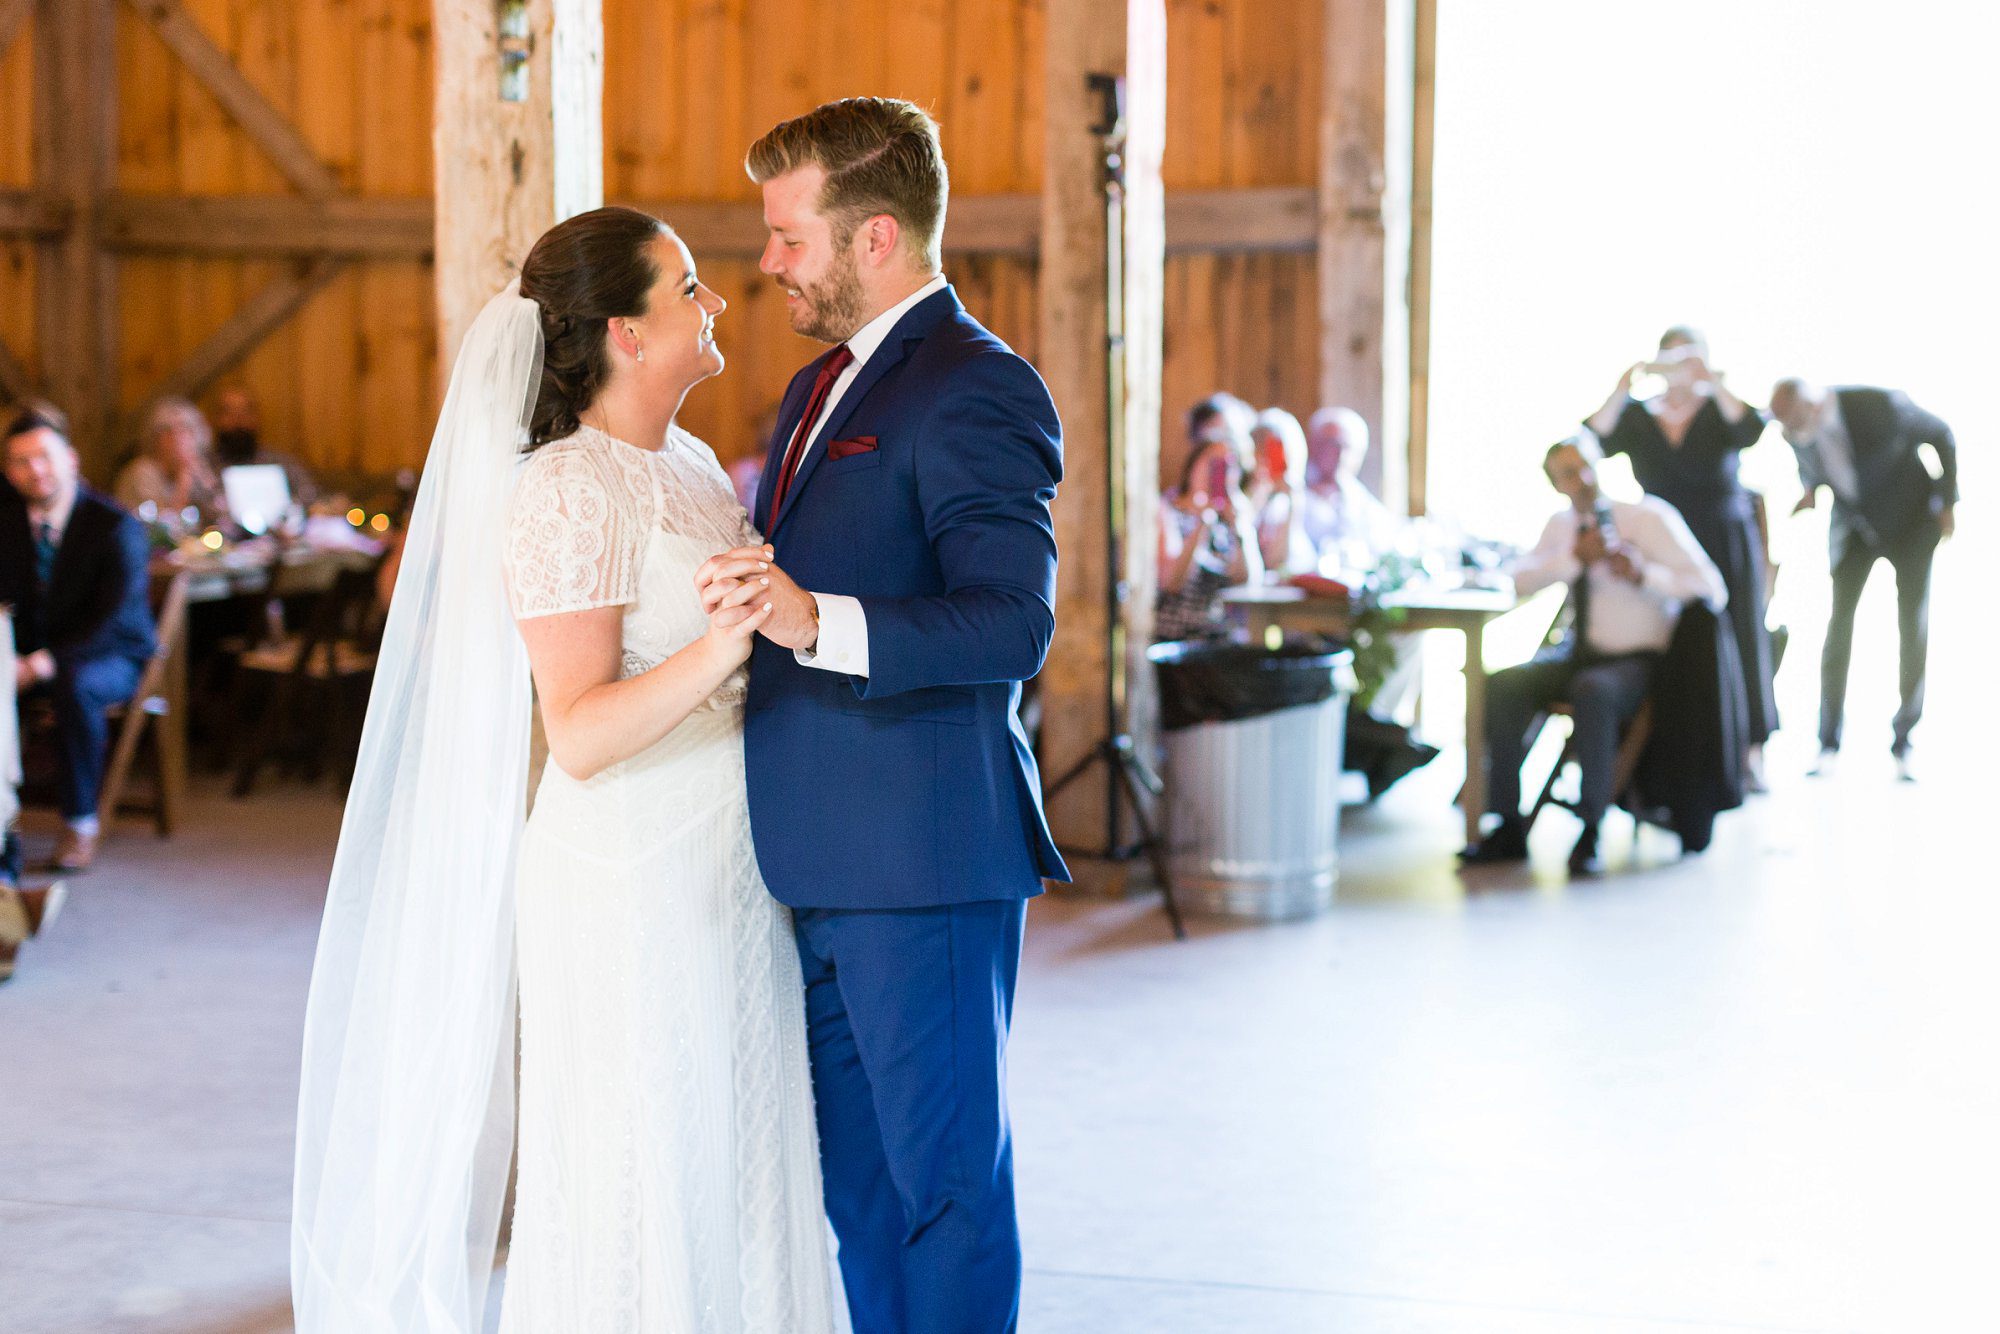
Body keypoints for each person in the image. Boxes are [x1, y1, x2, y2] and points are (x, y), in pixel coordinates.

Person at [292, 209, 838, 1331]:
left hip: (730, 864)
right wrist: (723, 644)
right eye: (687, 286)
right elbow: (579, 728)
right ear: (626, 332)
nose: (716, 300)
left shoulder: (683, 462)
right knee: (647, 1156)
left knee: (736, 1143)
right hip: (631, 872)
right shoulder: (564, 489)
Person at [693, 96, 1067, 1334]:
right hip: (807, 862)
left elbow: (1012, 621)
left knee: (944, 1195)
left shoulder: (978, 385)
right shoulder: (813, 388)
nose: (767, 263)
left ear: (875, 239)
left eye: (789, 237)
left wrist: (817, 621)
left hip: (923, 860)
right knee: (857, 1193)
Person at [1463, 437, 1725, 876]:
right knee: (1503, 685)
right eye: (1567, 474)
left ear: (1600, 463)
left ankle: (1591, 826)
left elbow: (1711, 587)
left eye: (1584, 466)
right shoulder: (1561, 527)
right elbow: (1518, 580)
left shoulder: (1648, 518)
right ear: (1556, 485)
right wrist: (1573, 560)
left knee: (1594, 692)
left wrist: (1646, 573)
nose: (1580, 479)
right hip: (1577, 653)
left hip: (1636, 660)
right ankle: (1506, 822)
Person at [1586, 327, 1778, 789]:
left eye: (1686, 359)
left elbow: (1752, 429)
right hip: (1663, 541)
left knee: (1740, 634)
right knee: (1669, 639)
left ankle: (1750, 751)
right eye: (1668, 359)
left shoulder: (1717, 409)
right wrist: (1621, 387)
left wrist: (1711, 381)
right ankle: (1664, 752)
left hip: (1722, 535)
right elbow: (1591, 440)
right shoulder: (1638, 415)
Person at [1769, 378, 1958, 781]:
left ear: (1812, 405)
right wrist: (1811, 490)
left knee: (1911, 625)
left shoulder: (1878, 404)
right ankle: (1828, 742)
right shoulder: (1794, 429)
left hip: (1909, 524)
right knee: (1837, 627)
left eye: (1793, 420)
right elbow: (1819, 464)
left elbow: (1941, 433)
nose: (1788, 430)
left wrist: (1947, 504)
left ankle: (1904, 739)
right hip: (1853, 529)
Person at [0, 404, 158, 873]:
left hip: (109, 656)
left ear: (70, 459)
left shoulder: (113, 526)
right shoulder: (6, 522)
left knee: (77, 684)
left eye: (44, 457)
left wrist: (43, 663)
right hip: (26, 654)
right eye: (21, 462)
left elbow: (114, 619)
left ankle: (80, 824)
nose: (35, 471)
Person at [1156, 420, 1262, 641]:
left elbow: (1249, 583)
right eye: (1213, 463)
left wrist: (1241, 528)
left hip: (1220, 639)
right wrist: (1201, 523)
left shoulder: (1231, 524)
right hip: (1177, 639)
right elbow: (1172, 583)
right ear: (1194, 464)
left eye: (1228, 466)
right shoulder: (1169, 512)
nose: (1220, 473)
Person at [1299, 406, 1399, 572]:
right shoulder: (1293, 497)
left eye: (1348, 447)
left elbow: (1384, 552)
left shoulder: (1367, 507)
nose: (1340, 456)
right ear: (1312, 445)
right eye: (1332, 445)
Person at [113, 396, 227, 534]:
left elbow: (221, 516)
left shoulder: (198, 467)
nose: (178, 439)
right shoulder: (141, 472)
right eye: (168, 431)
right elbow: (162, 529)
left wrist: (207, 483)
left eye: (185, 430)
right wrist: (184, 479)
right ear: (156, 438)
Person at [211, 385, 320, 507]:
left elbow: (312, 499)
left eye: (245, 412)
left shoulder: (282, 464)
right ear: (216, 418)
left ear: (257, 418)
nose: (238, 420)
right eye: (228, 412)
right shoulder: (204, 468)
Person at [1248, 407, 1317, 573]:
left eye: (1274, 449)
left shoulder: (1303, 502)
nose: (1265, 458)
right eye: (1260, 448)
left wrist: (1293, 500)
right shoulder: (1244, 498)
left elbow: (1277, 562)